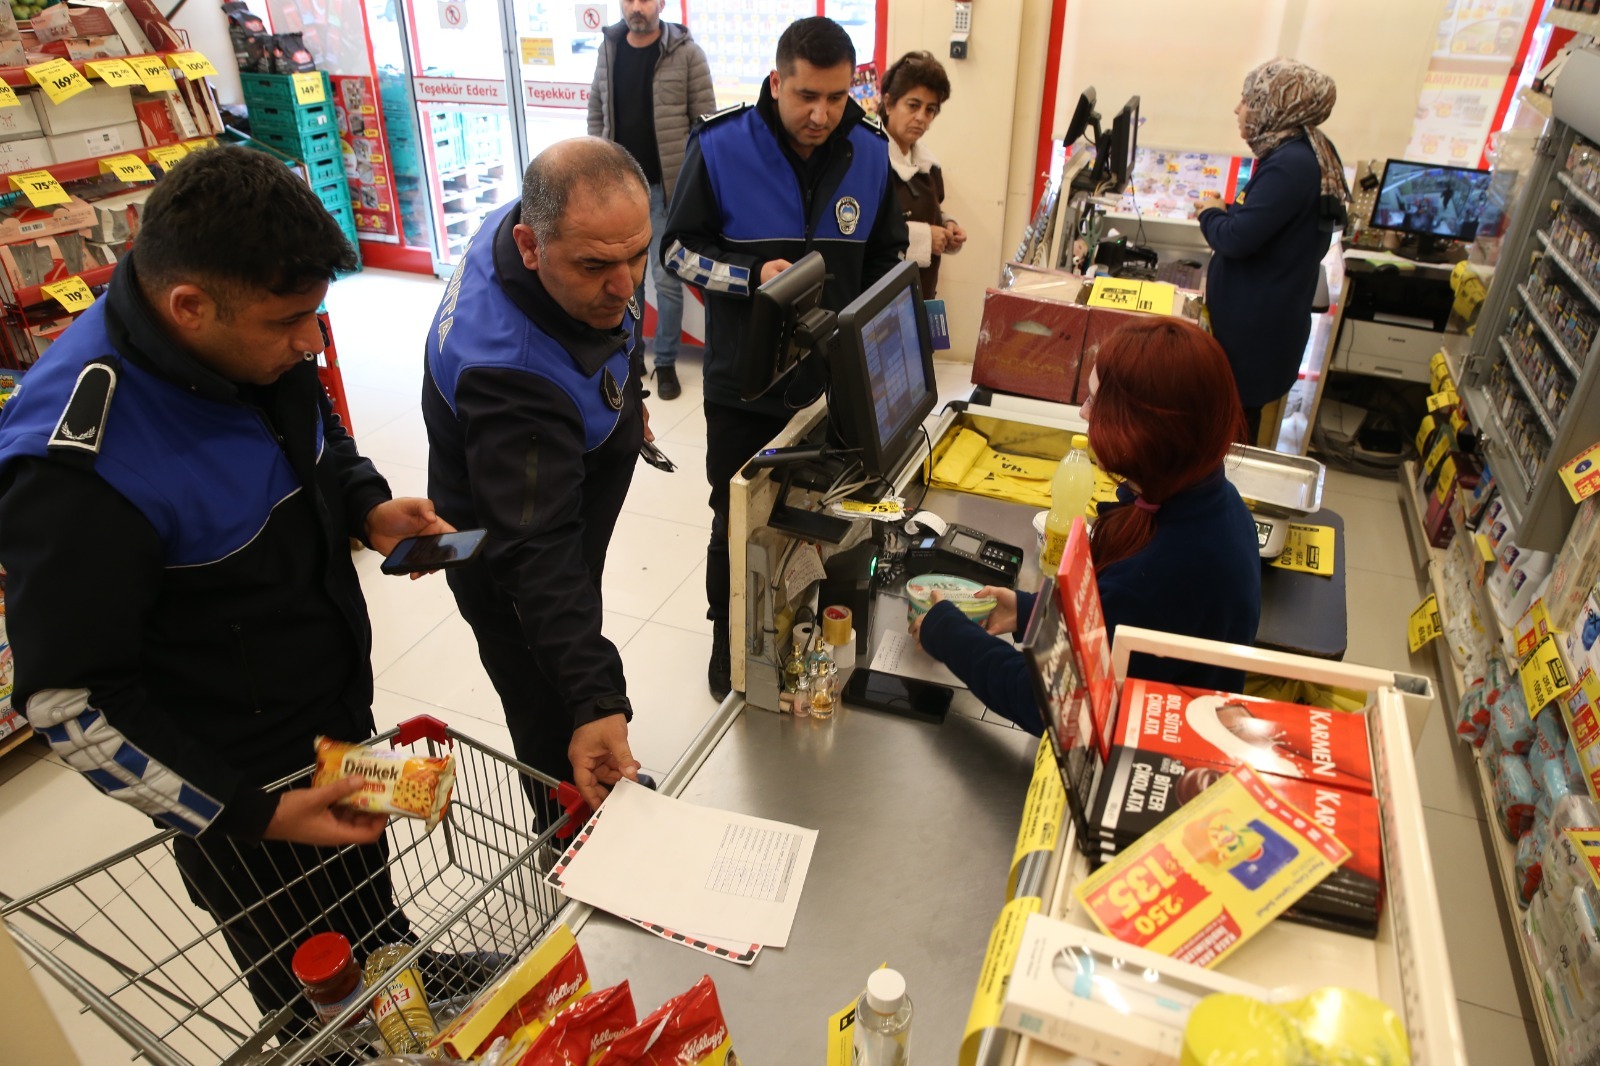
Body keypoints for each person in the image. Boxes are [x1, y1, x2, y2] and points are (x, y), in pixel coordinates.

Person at [0, 147, 457, 1031]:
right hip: (233, 773)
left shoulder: (258, 345)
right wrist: (253, 812)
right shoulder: (79, 463)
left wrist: (365, 507)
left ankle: (405, 978)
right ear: (188, 306)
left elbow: (316, 431)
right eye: (291, 323)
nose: (311, 343)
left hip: (328, 703)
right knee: (309, 982)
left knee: (367, 893)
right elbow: (69, 703)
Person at [660, 15, 908, 700]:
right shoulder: (720, 146)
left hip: (835, 384)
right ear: (777, 81)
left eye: (835, 96)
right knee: (734, 520)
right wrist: (747, 276)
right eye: (805, 96)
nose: (821, 114)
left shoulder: (870, 149)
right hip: (744, 382)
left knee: (828, 518)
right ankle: (726, 639)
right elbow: (675, 251)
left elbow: (887, 258)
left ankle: (811, 635)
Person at [423, 137, 648, 813]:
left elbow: (612, 326)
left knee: (572, 645)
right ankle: (577, 847)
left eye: (638, 255)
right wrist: (595, 696)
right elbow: (538, 551)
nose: (626, 284)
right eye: (597, 266)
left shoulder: (545, 232)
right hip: (513, 558)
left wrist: (624, 404)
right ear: (530, 246)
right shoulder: (509, 373)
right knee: (556, 718)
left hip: (551, 491)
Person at [912, 318, 1261, 732]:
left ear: (1139, 430)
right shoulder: (1214, 501)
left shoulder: (1163, 573)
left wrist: (943, 631)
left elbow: (1048, 703)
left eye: (1094, 402)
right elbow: (1104, 628)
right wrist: (1031, 611)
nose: (1082, 412)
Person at [1194, 57, 1349, 444]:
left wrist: (1211, 215)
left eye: (1247, 99)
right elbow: (1270, 225)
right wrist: (1229, 212)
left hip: (1253, 337)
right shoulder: (1301, 152)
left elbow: (1236, 239)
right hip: (1264, 325)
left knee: (1229, 442)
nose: (1238, 108)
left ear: (1273, 108)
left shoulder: (1290, 165)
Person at [587, 0, 715, 401]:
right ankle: (633, 355)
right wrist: (595, 162)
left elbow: (706, 123)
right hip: (617, 189)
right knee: (626, 283)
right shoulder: (608, 48)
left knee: (666, 279)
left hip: (665, 189)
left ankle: (665, 363)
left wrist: (693, 185)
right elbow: (596, 111)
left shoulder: (687, 53)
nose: (636, 7)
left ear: (661, 3)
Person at [879, 50, 966, 297]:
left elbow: (927, 209)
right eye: (913, 105)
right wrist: (925, 238)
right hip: (883, 301)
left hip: (921, 293)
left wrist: (947, 226)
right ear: (888, 103)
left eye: (930, 110)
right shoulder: (871, 162)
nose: (921, 118)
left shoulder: (925, 162)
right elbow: (869, 236)